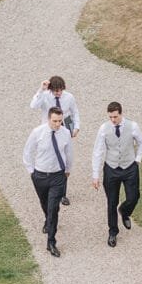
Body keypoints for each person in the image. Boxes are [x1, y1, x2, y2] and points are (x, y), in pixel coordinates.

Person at [91, 101, 142, 248]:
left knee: (134, 196)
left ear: (121, 113)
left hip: (129, 167)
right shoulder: (104, 129)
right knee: (111, 202)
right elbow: (98, 151)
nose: (113, 120)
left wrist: (137, 159)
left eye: (115, 116)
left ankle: (125, 210)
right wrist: (95, 175)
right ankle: (113, 232)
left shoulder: (132, 126)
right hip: (111, 168)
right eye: (110, 117)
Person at [23, 107, 73, 257]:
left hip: (58, 175)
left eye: (60, 121)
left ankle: (51, 241)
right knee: (45, 203)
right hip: (40, 175)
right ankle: (48, 219)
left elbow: (69, 153)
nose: (58, 124)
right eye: (55, 121)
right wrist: (31, 171)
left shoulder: (65, 134)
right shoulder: (38, 132)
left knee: (53, 208)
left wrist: (68, 170)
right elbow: (28, 151)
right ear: (48, 119)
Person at [30, 75, 81, 206]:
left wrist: (75, 127)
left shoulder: (69, 97)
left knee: (63, 158)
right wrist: (41, 90)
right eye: (56, 90)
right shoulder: (45, 96)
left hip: (65, 126)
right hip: (49, 129)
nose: (58, 93)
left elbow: (74, 112)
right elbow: (33, 105)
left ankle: (62, 193)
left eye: (60, 90)